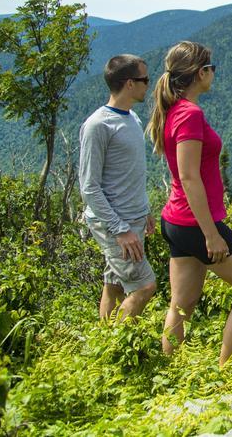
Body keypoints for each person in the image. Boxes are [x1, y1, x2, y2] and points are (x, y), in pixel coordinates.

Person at [146, 41, 232, 366]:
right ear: (201, 73)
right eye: (211, 68)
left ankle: (168, 375)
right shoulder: (189, 114)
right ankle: (227, 370)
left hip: (176, 220)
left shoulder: (175, 110)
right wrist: (210, 235)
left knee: (181, 304)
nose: (214, 73)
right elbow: (189, 177)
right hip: (193, 223)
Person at [79, 54, 156, 320]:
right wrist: (121, 230)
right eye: (144, 79)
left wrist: (144, 210)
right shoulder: (98, 125)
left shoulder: (131, 117)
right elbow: (89, 187)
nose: (149, 83)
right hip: (116, 224)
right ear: (129, 84)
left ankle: (104, 340)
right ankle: (116, 351)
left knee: (112, 286)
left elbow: (131, 172)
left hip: (132, 218)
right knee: (145, 286)